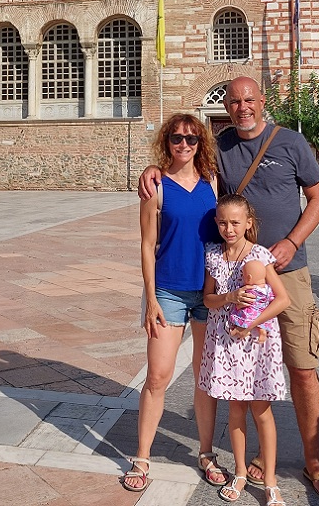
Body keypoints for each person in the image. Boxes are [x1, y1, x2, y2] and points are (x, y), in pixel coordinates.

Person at [139, 76, 319, 500]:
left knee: (303, 369)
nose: (242, 107)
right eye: (234, 101)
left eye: (250, 99)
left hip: (288, 271)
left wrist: (291, 242)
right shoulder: (220, 146)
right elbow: (185, 167)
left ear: (262, 101)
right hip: (235, 278)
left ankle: (313, 459)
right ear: (227, 106)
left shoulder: (290, 142)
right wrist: (154, 168)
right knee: (241, 371)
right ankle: (243, 460)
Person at [123, 113, 227, 493]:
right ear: (166, 142)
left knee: (205, 377)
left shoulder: (213, 182)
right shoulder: (156, 187)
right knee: (157, 376)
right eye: (177, 139)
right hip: (167, 291)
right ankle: (142, 456)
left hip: (208, 292)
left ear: (201, 143)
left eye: (192, 139)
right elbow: (147, 246)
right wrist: (150, 299)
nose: (184, 145)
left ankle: (205, 453)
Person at [199, 194, 289, 504]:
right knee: (235, 409)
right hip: (225, 343)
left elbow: (282, 299)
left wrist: (252, 324)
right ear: (216, 223)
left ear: (248, 223)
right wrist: (230, 297)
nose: (229, 228)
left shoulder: (260, 256)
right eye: (223, 222)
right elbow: (207, 299)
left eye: (236, 222)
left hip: (256, 343)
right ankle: (239, 472)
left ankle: (271, 481)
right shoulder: (214, 256)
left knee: (261, 410)